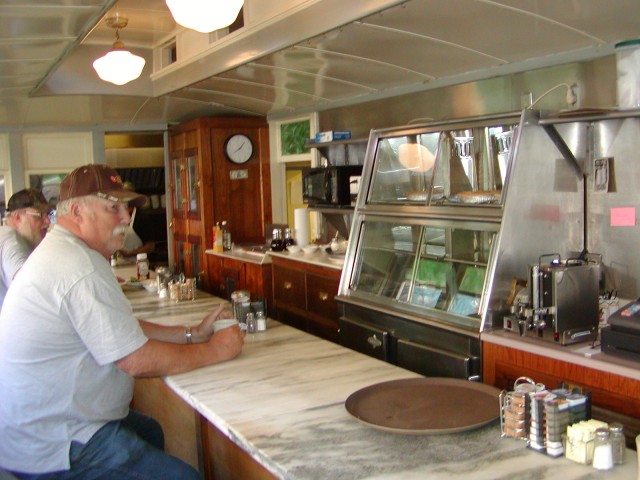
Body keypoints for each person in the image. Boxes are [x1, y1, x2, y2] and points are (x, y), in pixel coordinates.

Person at [0, 164, 245, 479]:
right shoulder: (77, 266)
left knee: (150, 431)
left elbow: (118, 330)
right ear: (77, 211)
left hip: (42, 425)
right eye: (112, 208)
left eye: (126, 208)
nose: (125, 217)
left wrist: (192, 333)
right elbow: (135, 360)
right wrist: (215, 351)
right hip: (53, 442)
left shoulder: (70, 253)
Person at [0, 188, 51, 308]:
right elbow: (28, 291)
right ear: (17, 217)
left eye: (49, 214)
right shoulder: (12, 242)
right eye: (39, 215)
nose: (48, 221)